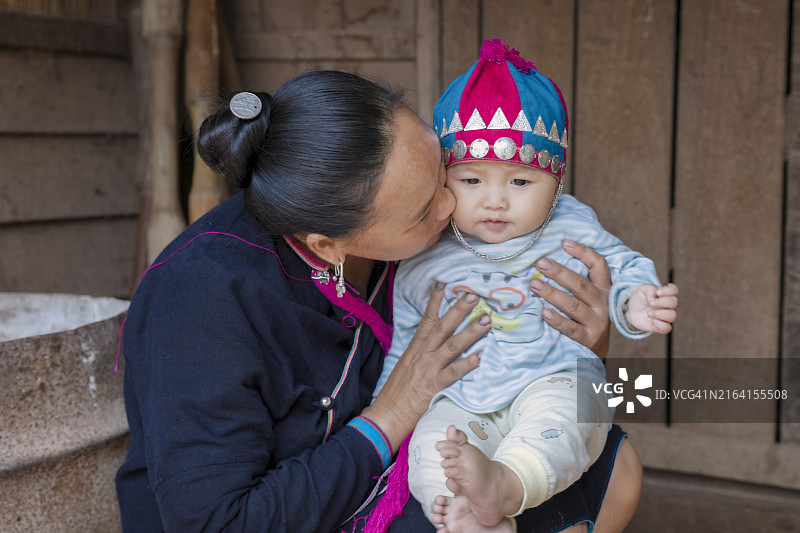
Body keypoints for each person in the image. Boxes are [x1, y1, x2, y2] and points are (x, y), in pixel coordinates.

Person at [115, 69, 643, 533]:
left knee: (608, 462)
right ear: (328, 245)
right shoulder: (199, 305)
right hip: (305, 509)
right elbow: (220, 522)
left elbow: (550, 380)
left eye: (443, 174)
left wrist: (592, 338)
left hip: (400, 460)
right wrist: (392, 411)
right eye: (422, 212)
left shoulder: (422, 230)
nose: (452, 205)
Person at [372, 39, 678, 533]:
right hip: (464, 394)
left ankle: (506, 487)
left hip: (553, 377)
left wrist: (633, 302)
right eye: (471, 181)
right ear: (443, 179)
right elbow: (407, 342)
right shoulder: (427, 249)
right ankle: (465, 514)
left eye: (519, 183)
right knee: (435, 445)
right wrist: (388, 398)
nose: (495, 201)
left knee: (561, 425)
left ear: (556, 183)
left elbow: (619, 265)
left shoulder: (570, 224)